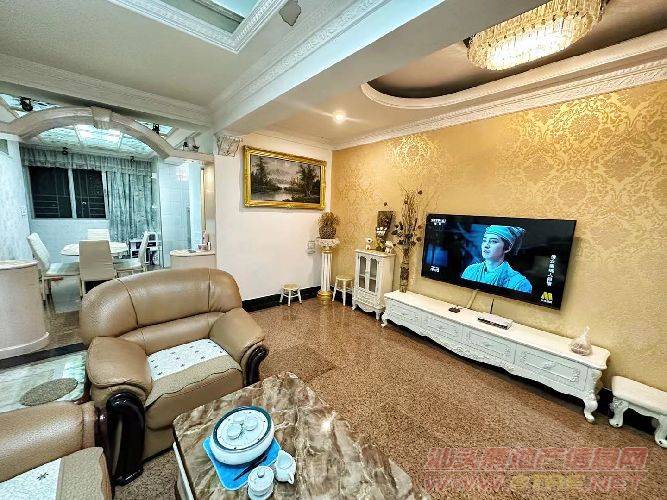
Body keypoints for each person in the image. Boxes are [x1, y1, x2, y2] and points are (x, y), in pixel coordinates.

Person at [461, 225, 532, 293]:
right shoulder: (470, 270)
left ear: (507, 248)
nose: (486, 245)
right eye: (484, 240)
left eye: (493, 241)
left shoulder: (520, 283)